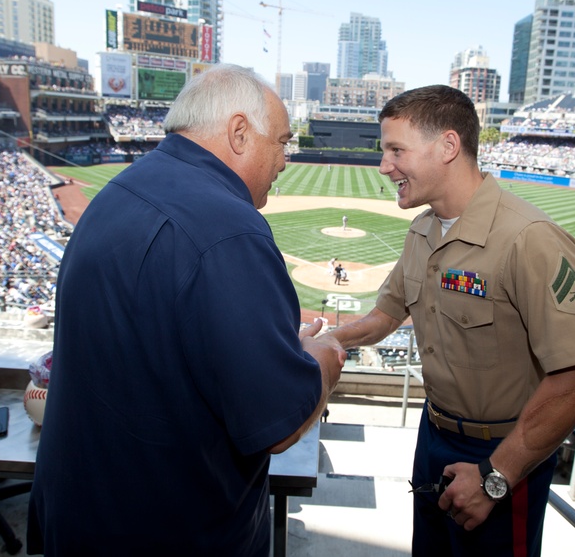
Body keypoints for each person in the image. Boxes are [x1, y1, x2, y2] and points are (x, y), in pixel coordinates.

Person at [27, 65, 346, 556]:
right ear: (240, 133)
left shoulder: (119, 189)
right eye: (281, 142)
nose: (285, 159)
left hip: (76, 515)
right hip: (169, 531)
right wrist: (322, 356)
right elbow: (278, 423)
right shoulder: (228, 228)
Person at [329, 85, 575, 557]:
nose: (384, 166)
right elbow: (385, 315)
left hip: (503, 454)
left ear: (448, 147)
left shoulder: (531, 239)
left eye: (396, 150)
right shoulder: (424, 228)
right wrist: (325, 338)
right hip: (433, 436)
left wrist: (495, 477)